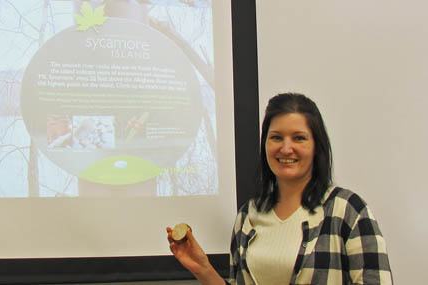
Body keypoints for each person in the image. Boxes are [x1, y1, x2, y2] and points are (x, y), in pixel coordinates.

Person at [166, 93, 392, 284]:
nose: (286, 148)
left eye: (299, 138)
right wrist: (203, 269)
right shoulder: (248, 214)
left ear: (317, 147)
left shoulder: (347, 210)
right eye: (276, 137)